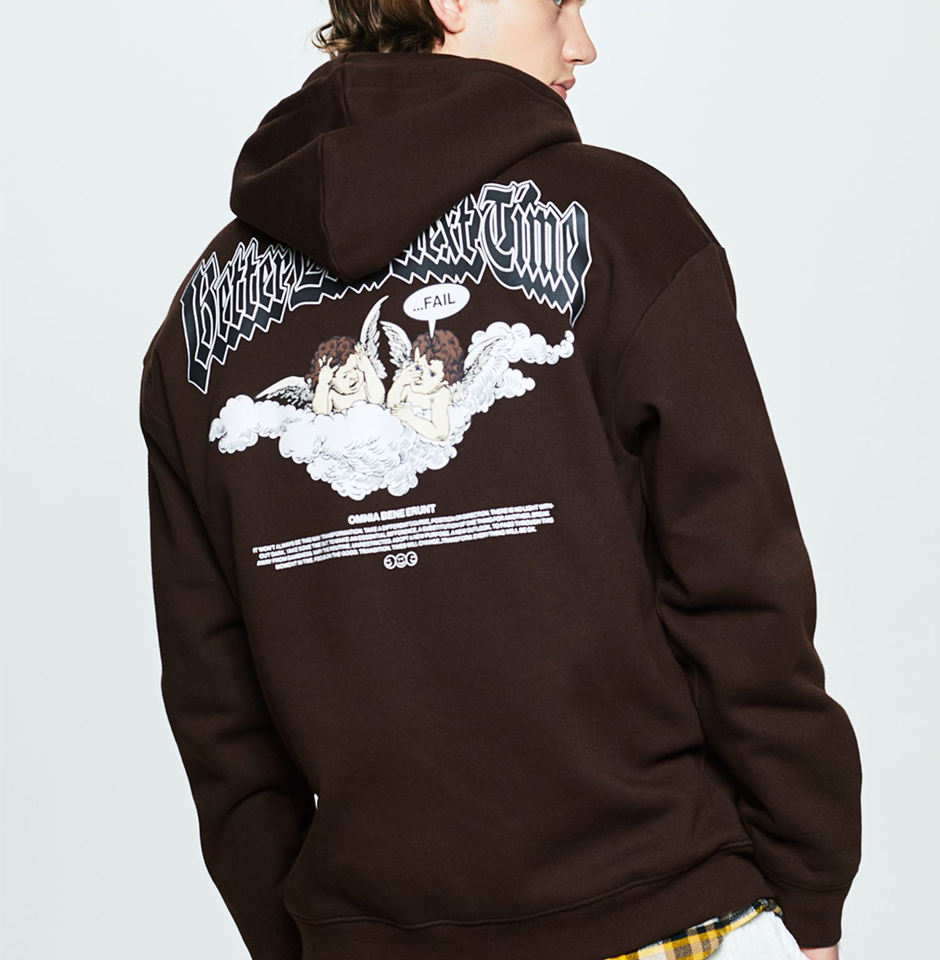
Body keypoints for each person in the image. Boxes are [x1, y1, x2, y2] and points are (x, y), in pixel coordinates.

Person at [138, 2, 862, 959]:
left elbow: (217, 709)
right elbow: (741, 595)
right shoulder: (626, 225)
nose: (583, 43)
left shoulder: (196, 319)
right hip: (660, 910)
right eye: (560, 2)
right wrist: (811, 877)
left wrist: (301, 941)